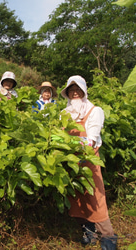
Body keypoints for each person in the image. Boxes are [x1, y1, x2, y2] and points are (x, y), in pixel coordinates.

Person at [60, 75, 117, 250]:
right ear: (67, 94)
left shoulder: (94, 111)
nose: (74, 93)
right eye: (71, 90)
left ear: (84, 92)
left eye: (78, 90)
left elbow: (91, 139)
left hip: (89, 160)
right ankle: (89, 231)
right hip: (72, 161)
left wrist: (72, 142)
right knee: (77, 197)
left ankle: (108, 236)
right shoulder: (65, 113)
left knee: (95, 197)